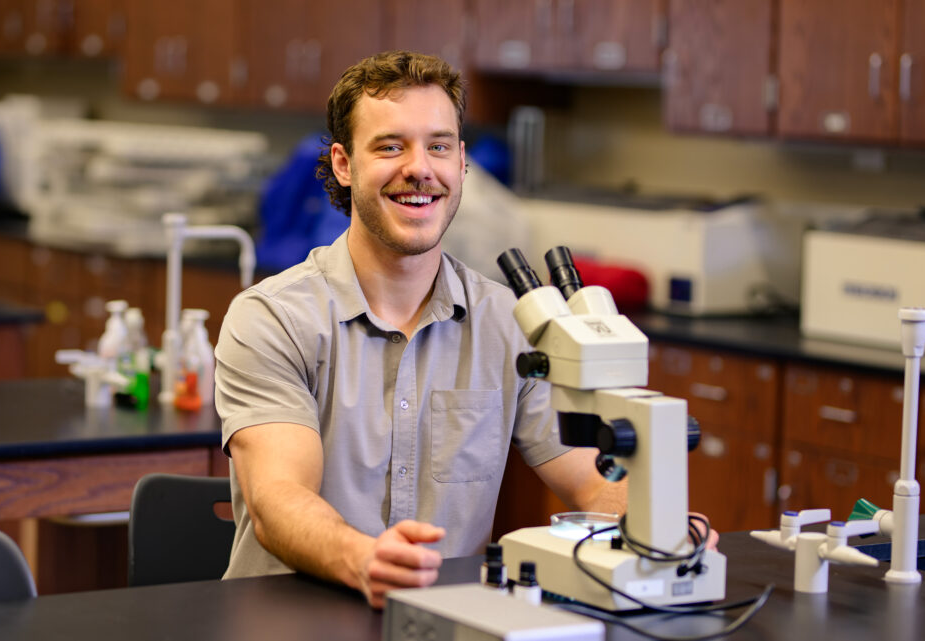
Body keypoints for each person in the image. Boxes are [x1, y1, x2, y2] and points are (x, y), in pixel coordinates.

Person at [214, 50, 626, 609]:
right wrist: (363, 558)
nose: (420, 168)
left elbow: (597, 480)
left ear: (462, 162)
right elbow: (278, 499)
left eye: (438, 146)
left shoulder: (511, 325)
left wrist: (652, 525)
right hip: (293, 620)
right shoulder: (273, 318)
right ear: (343, 163)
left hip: (446, 620)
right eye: (390, 146)